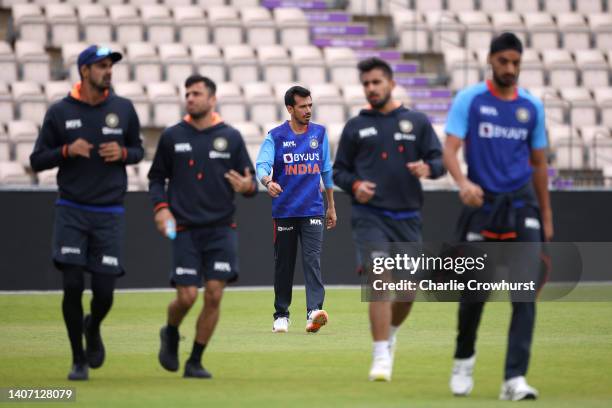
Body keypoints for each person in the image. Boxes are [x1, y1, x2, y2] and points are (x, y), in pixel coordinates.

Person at [443, 33, 553, 401]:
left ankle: (515, 378)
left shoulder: (532, 107)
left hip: (523, 207)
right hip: (481, 205)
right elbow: (451, 148)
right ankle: (464, 358)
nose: (510, 68)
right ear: (491, 60)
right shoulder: (470, 100)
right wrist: (462, 182)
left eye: (516, 62)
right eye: (504, 61)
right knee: (474, 293)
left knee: (525, 295)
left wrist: (546, 214)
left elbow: (539, 164)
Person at [29, 45, 143, 380]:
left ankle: (92, 328)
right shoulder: (60, 111)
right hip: (72, 210)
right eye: (102, 66)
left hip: (110, 213)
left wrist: (122, 152)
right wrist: (66, 150)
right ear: (84, 71)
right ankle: (78, 359)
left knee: (105, 294)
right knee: (73, 284)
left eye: (110, 66)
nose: (108, 71)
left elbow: (138, 150)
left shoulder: (123, 109)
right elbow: (37, 160)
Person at [333, 58, 445, 381]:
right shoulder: (355, 126)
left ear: (391, 83)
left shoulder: (417, 122)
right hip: (370, 217)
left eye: (376, 82)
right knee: (380, 282)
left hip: (408, 217)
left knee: (408, 291)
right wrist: (354, 185)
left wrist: (428, 169)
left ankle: (390, 332)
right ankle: (380, 356)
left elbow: (438, 160)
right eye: (366, 83)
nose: (371, 88)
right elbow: (338, 171)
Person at [148, 74, 257, 379]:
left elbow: (251, 186)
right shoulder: (172, 136)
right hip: (184, 228)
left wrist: (248, 186)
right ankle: (170, 331)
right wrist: (161, 209)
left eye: (196, 93)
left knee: (213, 294)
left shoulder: (231, 137)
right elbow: (156, 179)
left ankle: (195, 360)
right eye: (187, 93)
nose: (190, 98)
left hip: (221, 228)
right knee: (186, 297)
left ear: (212, 99)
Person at [255, 86, 337, 334]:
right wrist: (268, 182)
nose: (308, 110)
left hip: (313, 209)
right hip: (285, 210)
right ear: (290, 109)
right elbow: (262, 164)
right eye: (303, 106)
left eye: (310, 105)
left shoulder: (320, 134)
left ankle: (314, 312)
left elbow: (326, 171)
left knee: (313, 261)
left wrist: (331, 206)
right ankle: (281, 314)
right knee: (284, 264)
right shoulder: (276, 136)